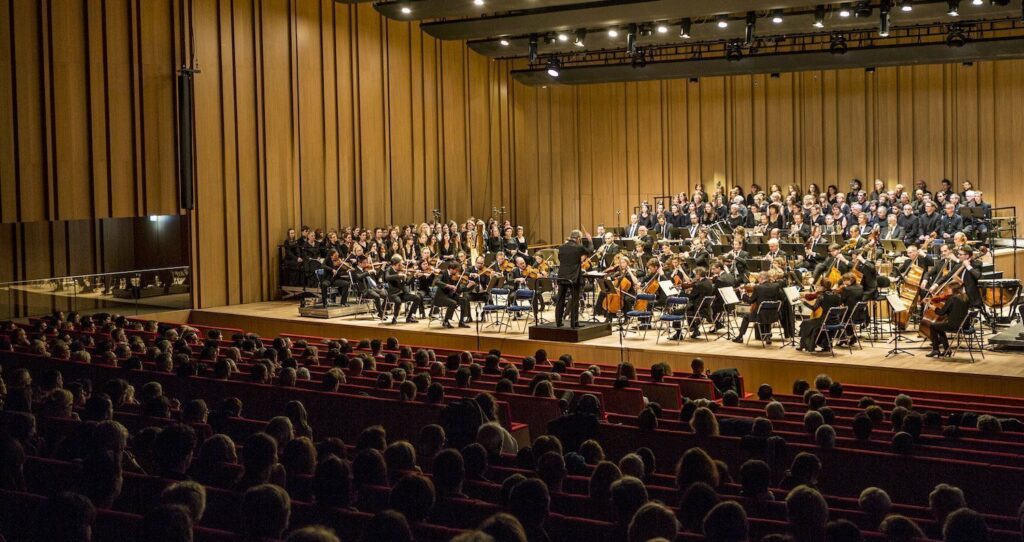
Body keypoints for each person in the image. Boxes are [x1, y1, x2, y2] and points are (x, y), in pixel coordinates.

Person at [555, 229, 593, 328]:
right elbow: (590, 251)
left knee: (560, 299)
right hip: (574, 277)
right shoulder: (578, 247)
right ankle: (574, 322)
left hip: (562, 275)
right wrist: (590, 240)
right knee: (575, 300)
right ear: (578, 238)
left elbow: (560, 258)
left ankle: (558, 322)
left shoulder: (562, 247)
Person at [927, 283, 969, 357]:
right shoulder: (964, 297)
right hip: (965, 325)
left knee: (933, 326)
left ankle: (935, 349)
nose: (947, 290)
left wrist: (932, 307)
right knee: (939, 327)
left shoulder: (952, 299)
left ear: (953, 289)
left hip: (955, 325)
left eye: (948, 289)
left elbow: (941, 313)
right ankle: (947, 350)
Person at [384, 255, 424, 324]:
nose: (402, 265)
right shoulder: (389, 269)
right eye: (400, 264)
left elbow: (407, 283)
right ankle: (395, 317)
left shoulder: (401, 271)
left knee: (417, 298)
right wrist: (398, 275)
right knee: (398, 301)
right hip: (393, 294)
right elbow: (387, 277)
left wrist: (414, 276)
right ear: (396, 265)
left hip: (402, 293)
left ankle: (409, 317)